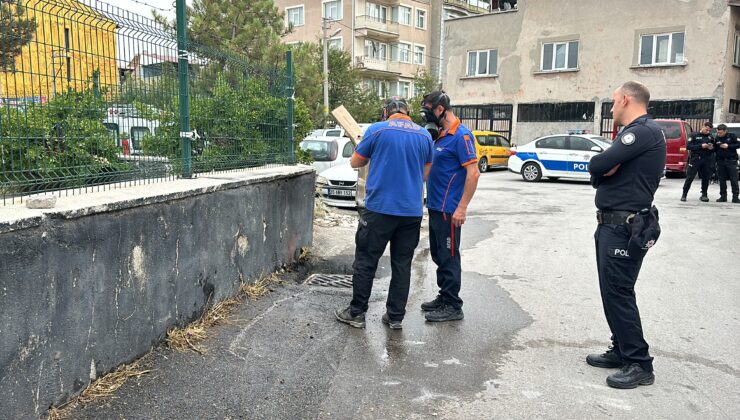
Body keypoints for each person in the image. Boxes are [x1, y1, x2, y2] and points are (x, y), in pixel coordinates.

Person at [587, 81, 665, 389]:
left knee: (619, 292)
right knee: (612, 291)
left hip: (623, 227)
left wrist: (605, 168)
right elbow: (598, 176)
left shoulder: (641, 131)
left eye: (613, 101)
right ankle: (621, 349)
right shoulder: (636, 134)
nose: (611, 108)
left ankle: (639, 362)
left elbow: (598, 163)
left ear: (624, 99)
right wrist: (603, 171)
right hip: (612, 224)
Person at [334, 97, 434, 330]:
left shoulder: (377, 130)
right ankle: (395, 317)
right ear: (408, 113)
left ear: (386, 112)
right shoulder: (424, 135)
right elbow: (425, 173)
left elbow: (355, 162)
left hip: (379, 209)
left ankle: (357, 313)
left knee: (366, 261)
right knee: (402, 264)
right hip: (411, 211)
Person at [419, 91, 480, 323]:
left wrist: (462, 207)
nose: (426, 115)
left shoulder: (461, 136)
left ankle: (453, 305)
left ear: (441, 108)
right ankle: (444, 296)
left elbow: (473, 174)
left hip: (450, 209)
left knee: (449, 255)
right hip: (435, 206)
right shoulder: (439, 136)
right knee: (439, 254)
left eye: (428, 110)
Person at [681, 122, 715, 202]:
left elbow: (714, 148)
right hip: (696, 159)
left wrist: (711, 148)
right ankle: (684, 194)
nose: (708, 132)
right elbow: (688, 146)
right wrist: (701, 146)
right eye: (706, 130)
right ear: (702, 126)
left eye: (709, 130)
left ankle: (704, 194)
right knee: (690, 177)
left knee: (706, 178)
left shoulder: (710, 137)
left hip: (706, 159)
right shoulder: (694, 135)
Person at [713, 124, 740, 203]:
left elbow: (738, 144)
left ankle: (735, 197)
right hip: (720, 161)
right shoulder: (717, 138)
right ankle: (723, 196)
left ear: (725, 131)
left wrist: (728, 146)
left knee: (734, 179)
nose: (719, 134)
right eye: (718, 132)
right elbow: (715, 148)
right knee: (722, 180)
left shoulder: (732, 136)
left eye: (720, 132)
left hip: (731, 161)